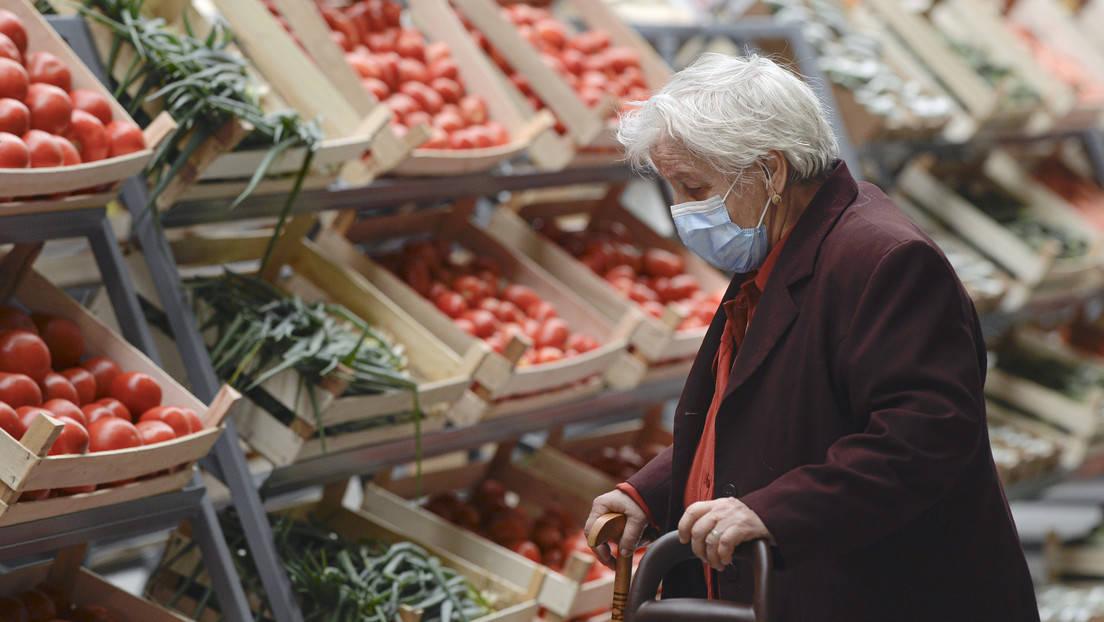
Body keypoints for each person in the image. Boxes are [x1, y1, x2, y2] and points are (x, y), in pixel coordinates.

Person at [584, 52, 1040, 621]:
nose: (684, 210)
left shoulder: (887, 260)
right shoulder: (778, 248)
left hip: (889, 596)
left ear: (770, 171)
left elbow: (924, 437)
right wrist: (648, 494)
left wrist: (773, 512)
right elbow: (756, 414)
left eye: (694, 185)